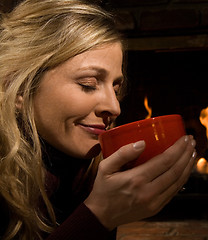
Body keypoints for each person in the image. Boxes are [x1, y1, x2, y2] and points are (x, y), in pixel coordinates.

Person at [0, 0, 197, 239]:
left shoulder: (86, 171)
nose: (114, 108)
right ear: (18, 88)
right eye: (88, 84)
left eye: (116, 88)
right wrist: (99, 215)